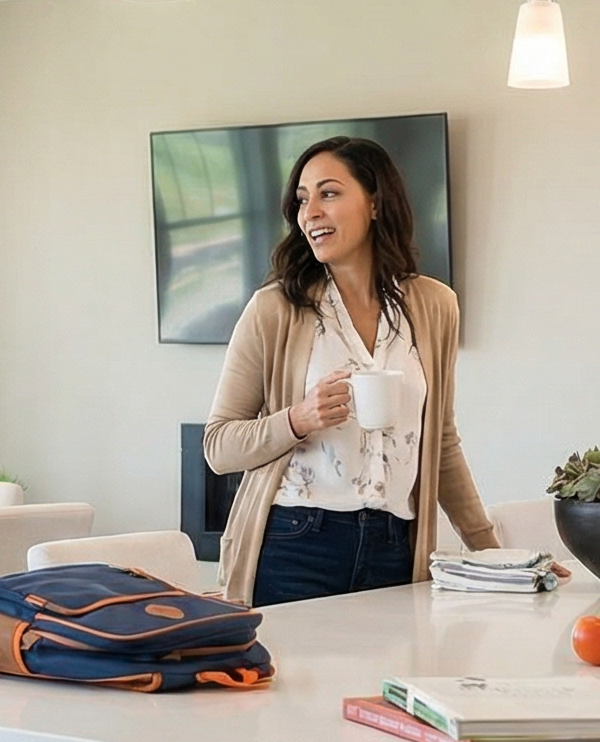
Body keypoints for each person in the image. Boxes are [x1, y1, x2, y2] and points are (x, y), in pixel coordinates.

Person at [204, 135, 499, 605]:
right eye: (302, 200)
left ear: (376, 203)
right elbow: (218, 446)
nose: (310, 212)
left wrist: (494, 556)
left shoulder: (434, 306)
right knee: (295, 681)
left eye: (329, 193)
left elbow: (440, 443)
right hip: (296, 543)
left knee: (387, 681)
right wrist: (298, 419)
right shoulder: (274, 309)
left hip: (394, 546)